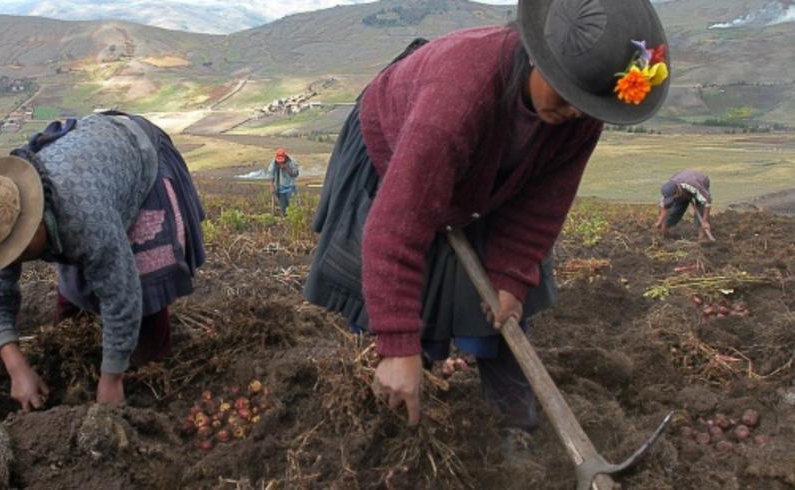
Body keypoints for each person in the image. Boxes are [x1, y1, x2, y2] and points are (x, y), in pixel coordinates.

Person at [305, 0, 670, 440]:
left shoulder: (581, 111)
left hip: (488, 168)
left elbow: (544, 201)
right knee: (403, 303)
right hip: (402, 149)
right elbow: (398, 225)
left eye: (585, 104)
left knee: (503, 310)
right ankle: (397, 395)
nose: (575, 112)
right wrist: (397, 342)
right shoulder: (458, 97)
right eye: (567, 96)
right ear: (537, 59)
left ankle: (513, 422)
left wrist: (512, 276)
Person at [0, 112, 205, 410]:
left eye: (17, 251)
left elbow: (121, 294)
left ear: (35, 226)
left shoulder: (84, 218)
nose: (12, 260)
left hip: (137, 157)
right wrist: (17, 369)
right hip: (86, 178)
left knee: (145, 282)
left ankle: (152, 373)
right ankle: (86, 355)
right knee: (75, 288)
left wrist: (111, 381)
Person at [654, 169, 712, 240]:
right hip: (682, 187)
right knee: (675, 210)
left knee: (701, 211)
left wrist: (705, 221)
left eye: (673, 197)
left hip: (700, 182)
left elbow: (707, 203)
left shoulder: (693, 185)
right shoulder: (668, 189)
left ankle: (701, 238)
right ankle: (664, 235)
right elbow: (665, 206)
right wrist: (659, 221)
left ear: (677, 191)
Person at [268, 148, 300, 216]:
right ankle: (285, 221)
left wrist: (287, 168)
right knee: (283, 209)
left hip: (291, 187)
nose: (280, 163)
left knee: (293, 208)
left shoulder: (291, 162)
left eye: (281, 161)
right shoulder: (274, 163)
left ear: (285, 157)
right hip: (280, 188)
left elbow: (295, 174)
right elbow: (271, 174)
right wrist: (271, 185)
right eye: (279, 161)